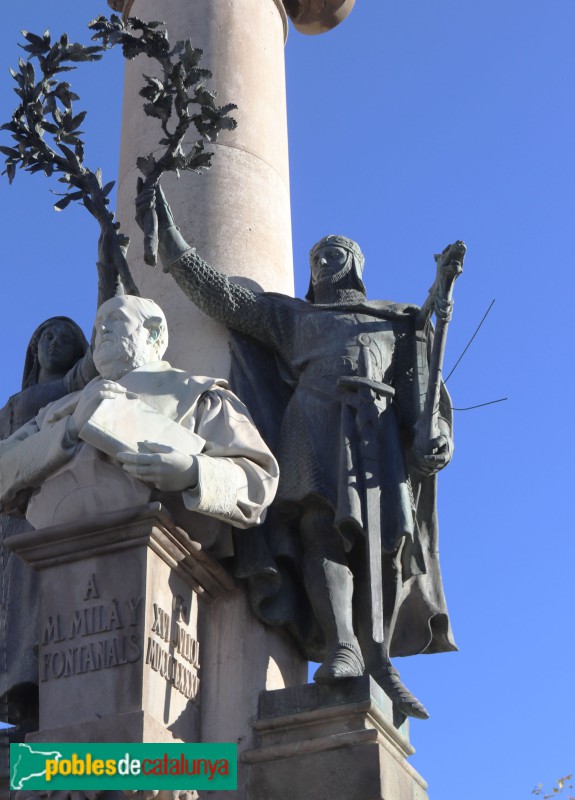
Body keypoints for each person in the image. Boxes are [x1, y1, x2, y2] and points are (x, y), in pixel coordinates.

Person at [134, 186, 459, 719]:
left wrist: (437, 436)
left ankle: (380, 658)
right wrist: (170, 240)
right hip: (311, 423)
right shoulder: (295, 318)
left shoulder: (399, 321)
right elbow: (226, 299)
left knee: (389, 546)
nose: (324, 259)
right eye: (317, 257)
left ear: (355, 266)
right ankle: (344, 646)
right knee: (318, 529)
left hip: (374, 433)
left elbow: (422, 401)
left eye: (336, 253)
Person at [0, 295, 279, 545]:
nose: (102, 330)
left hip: (167, 563)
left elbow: (259, 484)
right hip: (54, 559)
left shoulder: (200, 395)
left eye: (116, 318)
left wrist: (193, 473)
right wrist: (69, 429)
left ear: (153, 332)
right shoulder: (56, 411)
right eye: (98, 324)